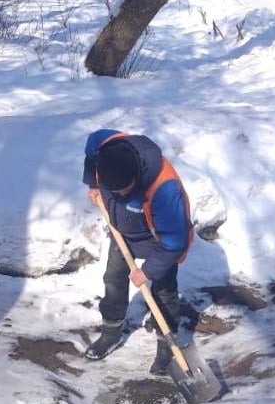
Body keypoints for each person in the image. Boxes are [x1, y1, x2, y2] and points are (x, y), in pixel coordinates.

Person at [83, 128, 195, 375]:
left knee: (164, 291)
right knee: (113, 278)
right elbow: (91, 147)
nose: (120, 194)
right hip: (122, 232)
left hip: (159, 239)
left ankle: (167, 343)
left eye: (124, 190)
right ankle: (111, 331)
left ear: (136, 175)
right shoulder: (106, 149)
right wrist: (93, 182)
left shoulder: (164, 189)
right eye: (113, 191)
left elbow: (174, 241)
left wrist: (148, 271)